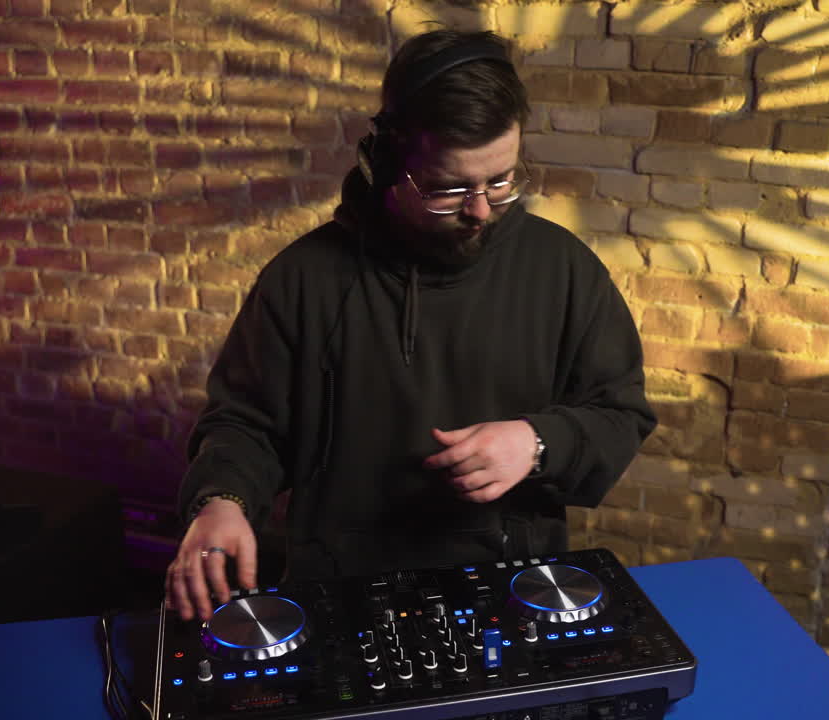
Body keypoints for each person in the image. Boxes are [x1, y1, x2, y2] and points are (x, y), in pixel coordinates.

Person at [165, 29, 656, 622]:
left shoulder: (563, 268)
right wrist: (221, 501)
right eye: (450, 189)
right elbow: (246, 424)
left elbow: (621, 412)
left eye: (500, 181)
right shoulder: (304, 279)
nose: (480, 209)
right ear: (387, 163)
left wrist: (537, 442)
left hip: (515, 593)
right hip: (340, 598)